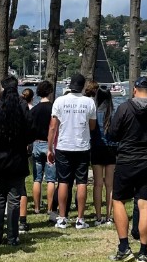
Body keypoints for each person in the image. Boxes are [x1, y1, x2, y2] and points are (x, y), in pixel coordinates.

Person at [107, 76, 147, 262]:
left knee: (118, 201)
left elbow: (113, 134)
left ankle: (124, 246)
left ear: (135, 89)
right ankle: (143, 250)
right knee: (145, 204)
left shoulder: (125, 108)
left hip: (127, 159)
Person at [48, 72, 97, 230]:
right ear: (82, 86)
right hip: (82, 145)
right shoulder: (89, 102)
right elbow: (92, 126)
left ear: (70, 85)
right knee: (81, 182)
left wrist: (50, 148)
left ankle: (62, 218)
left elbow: (53, 126)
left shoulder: (60, 101)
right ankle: (80, 219)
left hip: (64, 145)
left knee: (63, 181)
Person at [0, 75, 32, 248]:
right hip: (17, 158)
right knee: (14, 199)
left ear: (3, 89)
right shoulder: (22, 106)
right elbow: (30, 131)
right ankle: (13, 237)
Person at [28, 81, 55, 222]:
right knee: (51, 179)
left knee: (37, 179)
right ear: (50, 92)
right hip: (49, 144)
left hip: (36, 143)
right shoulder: (53, 108)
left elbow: (29, 128)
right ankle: (50, 208)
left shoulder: (34, 109)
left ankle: (37, 207)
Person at [89, 83, 116, 226]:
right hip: (111, 149)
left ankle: (98, 217)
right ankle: (109, 216)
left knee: (97, 184)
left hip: (97, 148)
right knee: (109, 185)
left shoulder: (94, 111)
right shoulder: (113, 112)